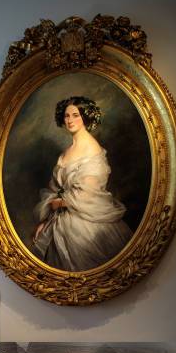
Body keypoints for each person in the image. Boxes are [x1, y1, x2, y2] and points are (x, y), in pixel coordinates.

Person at [33, 96, 132, 271]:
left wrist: (60, 203)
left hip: (84, 224)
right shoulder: (67, 151)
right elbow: (56, 189)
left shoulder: (91, 149)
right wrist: (47, 220)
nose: (70, 120)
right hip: (59, 221)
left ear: (86, 117)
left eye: (75, 115)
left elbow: (88, 195)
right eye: (66, 116)